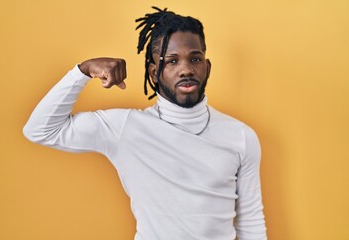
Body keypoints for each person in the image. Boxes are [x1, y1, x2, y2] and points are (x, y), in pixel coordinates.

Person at [23, 7, 267, 240]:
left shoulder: (241, 136)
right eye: (172, 61)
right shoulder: (125, 128)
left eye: (195, 59)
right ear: (154, 72)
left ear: (207, 67)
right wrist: (82, 71)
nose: (185, 70)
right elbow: (40, 130)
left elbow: (250, 220)